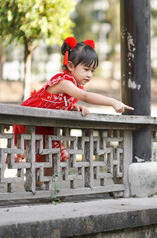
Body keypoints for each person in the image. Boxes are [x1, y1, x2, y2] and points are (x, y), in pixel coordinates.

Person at [12, 37, 133, 188]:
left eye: (92, 71)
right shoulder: (64, 82)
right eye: (86, 69)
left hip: (44, 123)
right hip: (30, 118)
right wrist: (113, 102)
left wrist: (73, 107)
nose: (89, 75)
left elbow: (66, 100)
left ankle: (36, 181)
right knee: (44, 154)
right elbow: (85, 97)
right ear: (70, 65)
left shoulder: (74, 85)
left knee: (57, 155)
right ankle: (34, 181)